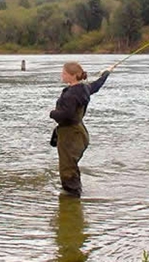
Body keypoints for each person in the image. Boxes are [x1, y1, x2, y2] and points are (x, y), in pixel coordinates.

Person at [49, 61, 114, 197]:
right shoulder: (84, 88)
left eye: (64, 73)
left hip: (71, 134)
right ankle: (75, 194)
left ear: (72, 76)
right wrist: (106, 74)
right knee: (71, 164)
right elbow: (97, 85)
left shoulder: (71, 94)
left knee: (67, 167)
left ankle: (71, 198)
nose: (62, 75)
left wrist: (52, 113)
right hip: (79, 132)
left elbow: (67, 115)